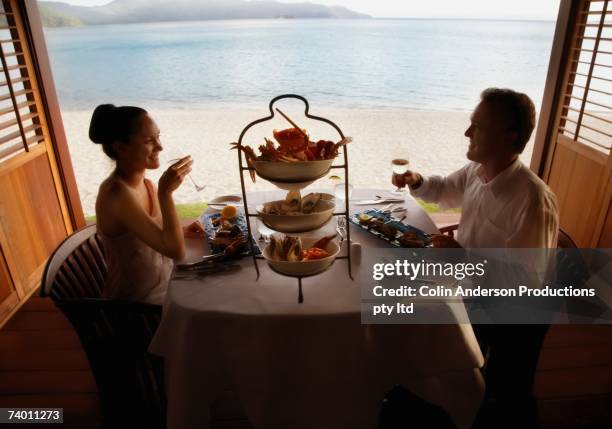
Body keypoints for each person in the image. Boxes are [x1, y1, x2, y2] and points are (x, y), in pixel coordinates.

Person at [391, 88, 560, 428]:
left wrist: (463, 258)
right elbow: (441, 192)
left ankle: (444, 398)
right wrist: (418, 180)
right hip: (469, 283)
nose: (467, 133)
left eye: (477, 126)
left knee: (410, 314)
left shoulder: (531, 199)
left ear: (508, 137)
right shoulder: (477, 171)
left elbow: (526, 281)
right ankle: (423, 389)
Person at [90, 104, 193, 305]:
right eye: (149, 141)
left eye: (158, 136)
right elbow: (175, 251)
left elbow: (156, 234)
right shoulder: (116, 194)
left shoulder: (146, 184)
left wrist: (184, 229)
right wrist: (166, 193)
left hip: (164, 286)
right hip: (137, 309)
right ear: (120, 147)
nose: (160, 146)